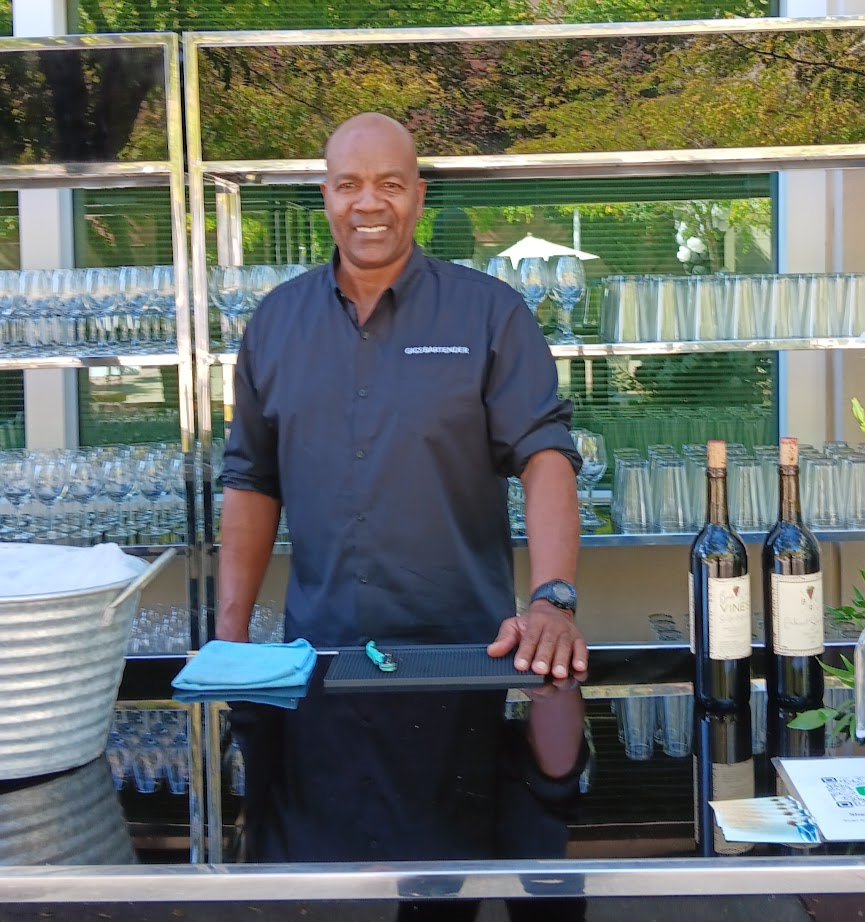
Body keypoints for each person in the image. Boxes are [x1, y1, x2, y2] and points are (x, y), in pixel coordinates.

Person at [218, 112, 587, 918]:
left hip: (461, 668)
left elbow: (546, 455)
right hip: (317, 673)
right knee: (323, 897)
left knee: (446, 894)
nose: (368, 202)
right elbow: (249, 480)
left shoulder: (488, 314)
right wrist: (230, 637)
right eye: (348, 183)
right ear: (325, 196)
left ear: (418, 196)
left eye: (389, 183)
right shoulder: (274, 324)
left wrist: (552, 598)